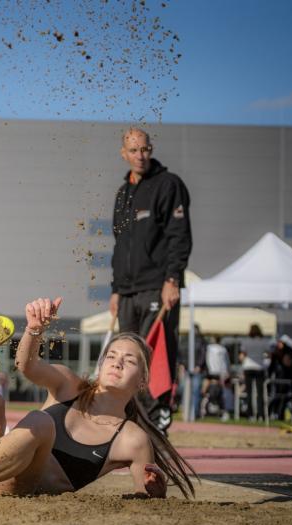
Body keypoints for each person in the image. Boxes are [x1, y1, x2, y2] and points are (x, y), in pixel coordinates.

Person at [0, 298, 196, 498]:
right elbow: (27, 366)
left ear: (142, 381)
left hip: (12, 486)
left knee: (40, 422)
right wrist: (34, 330)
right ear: (100, 365)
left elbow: (148, 493)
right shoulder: (70, 384)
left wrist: (155, 488)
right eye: (111, 355)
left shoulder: (132, 438)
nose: (116, 362)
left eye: (128, 361)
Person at [108, 127, 192, 432]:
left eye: (144, 149)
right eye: (133, 151)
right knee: (125, 355)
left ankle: (158, 420)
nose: (139, 156)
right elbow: (119, 245)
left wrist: (173, 279)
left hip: (157, 285)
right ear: (124, 154)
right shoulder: (122, 194)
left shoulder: (168, 185)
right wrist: (116, 291)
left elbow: (178, 236)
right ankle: (131, 421)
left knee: (152, 353)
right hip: (127, 291)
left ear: (151, 149)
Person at [238, 324, 269, 421]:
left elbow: (242, 356)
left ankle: (250, 415)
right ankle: (261, 415)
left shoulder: (246, 341)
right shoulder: (263, 342)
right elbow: (269, 354)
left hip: (248, 367)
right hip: (259, 368)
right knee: (260, 393)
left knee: (249, 392)